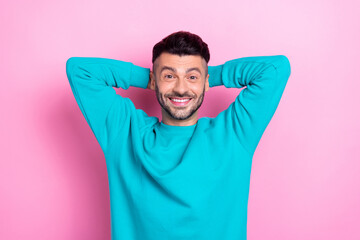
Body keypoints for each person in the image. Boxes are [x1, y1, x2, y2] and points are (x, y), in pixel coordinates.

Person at [66, 30, 291, 240]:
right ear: (154, 81)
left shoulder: (234, 133)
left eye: (192, 78)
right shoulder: (125, 133)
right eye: (169, 76)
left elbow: (276, 69)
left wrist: (209, 76)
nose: (181, 89)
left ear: (206, 82)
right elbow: (80, 70)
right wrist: (154, 77)